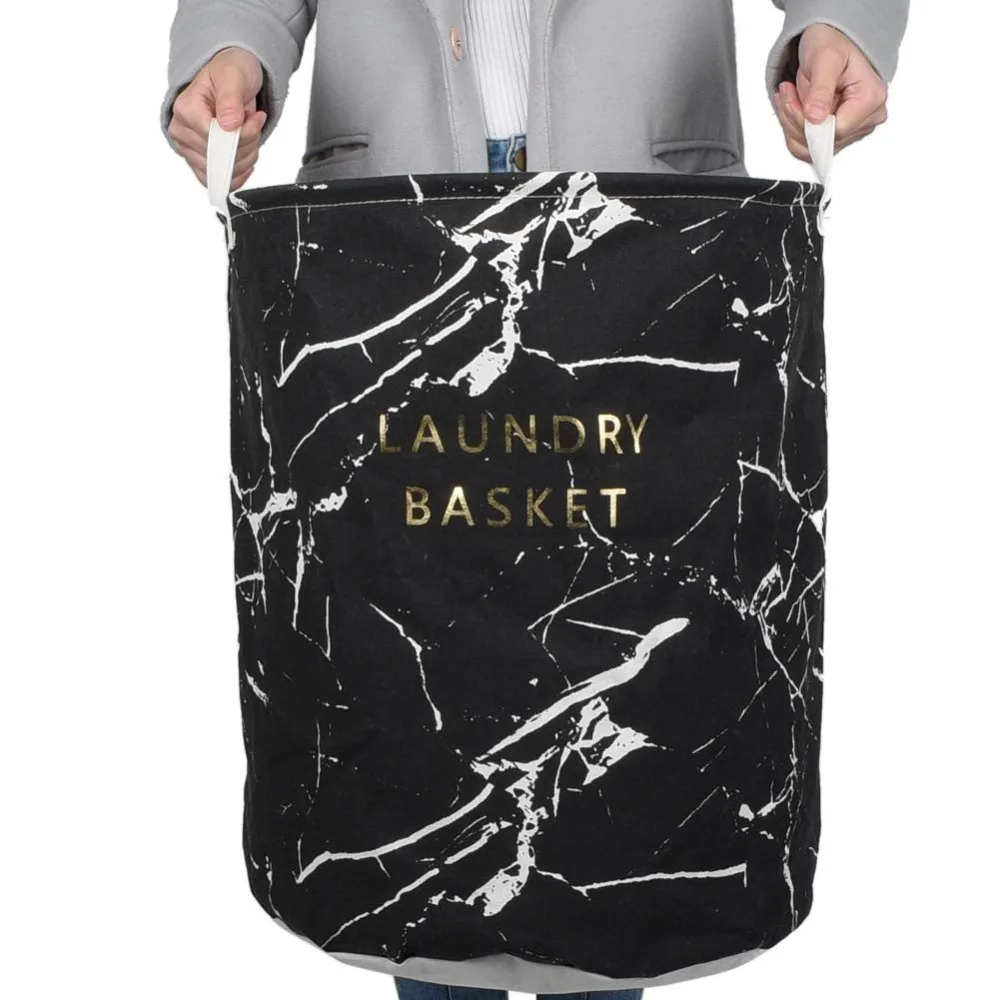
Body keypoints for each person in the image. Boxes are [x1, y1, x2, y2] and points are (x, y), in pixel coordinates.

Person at [160, 4, 908, 999]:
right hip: (388, 245)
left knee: (623, 770)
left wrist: (838, 23)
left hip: (651, 248)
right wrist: (230, 46)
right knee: (410, 797)